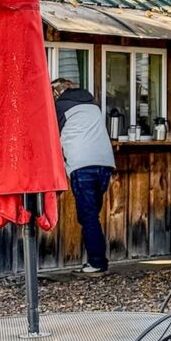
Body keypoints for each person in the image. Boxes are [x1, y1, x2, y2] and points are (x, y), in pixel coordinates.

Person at [51, 78, 116, 274]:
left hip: (82, 165)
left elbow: (49, 134)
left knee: (88, 217)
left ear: (57, 92)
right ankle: (95, 260)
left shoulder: (59, 106)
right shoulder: (92, 104)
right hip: (105, 164)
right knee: (91, 216)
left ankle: (97, 262)